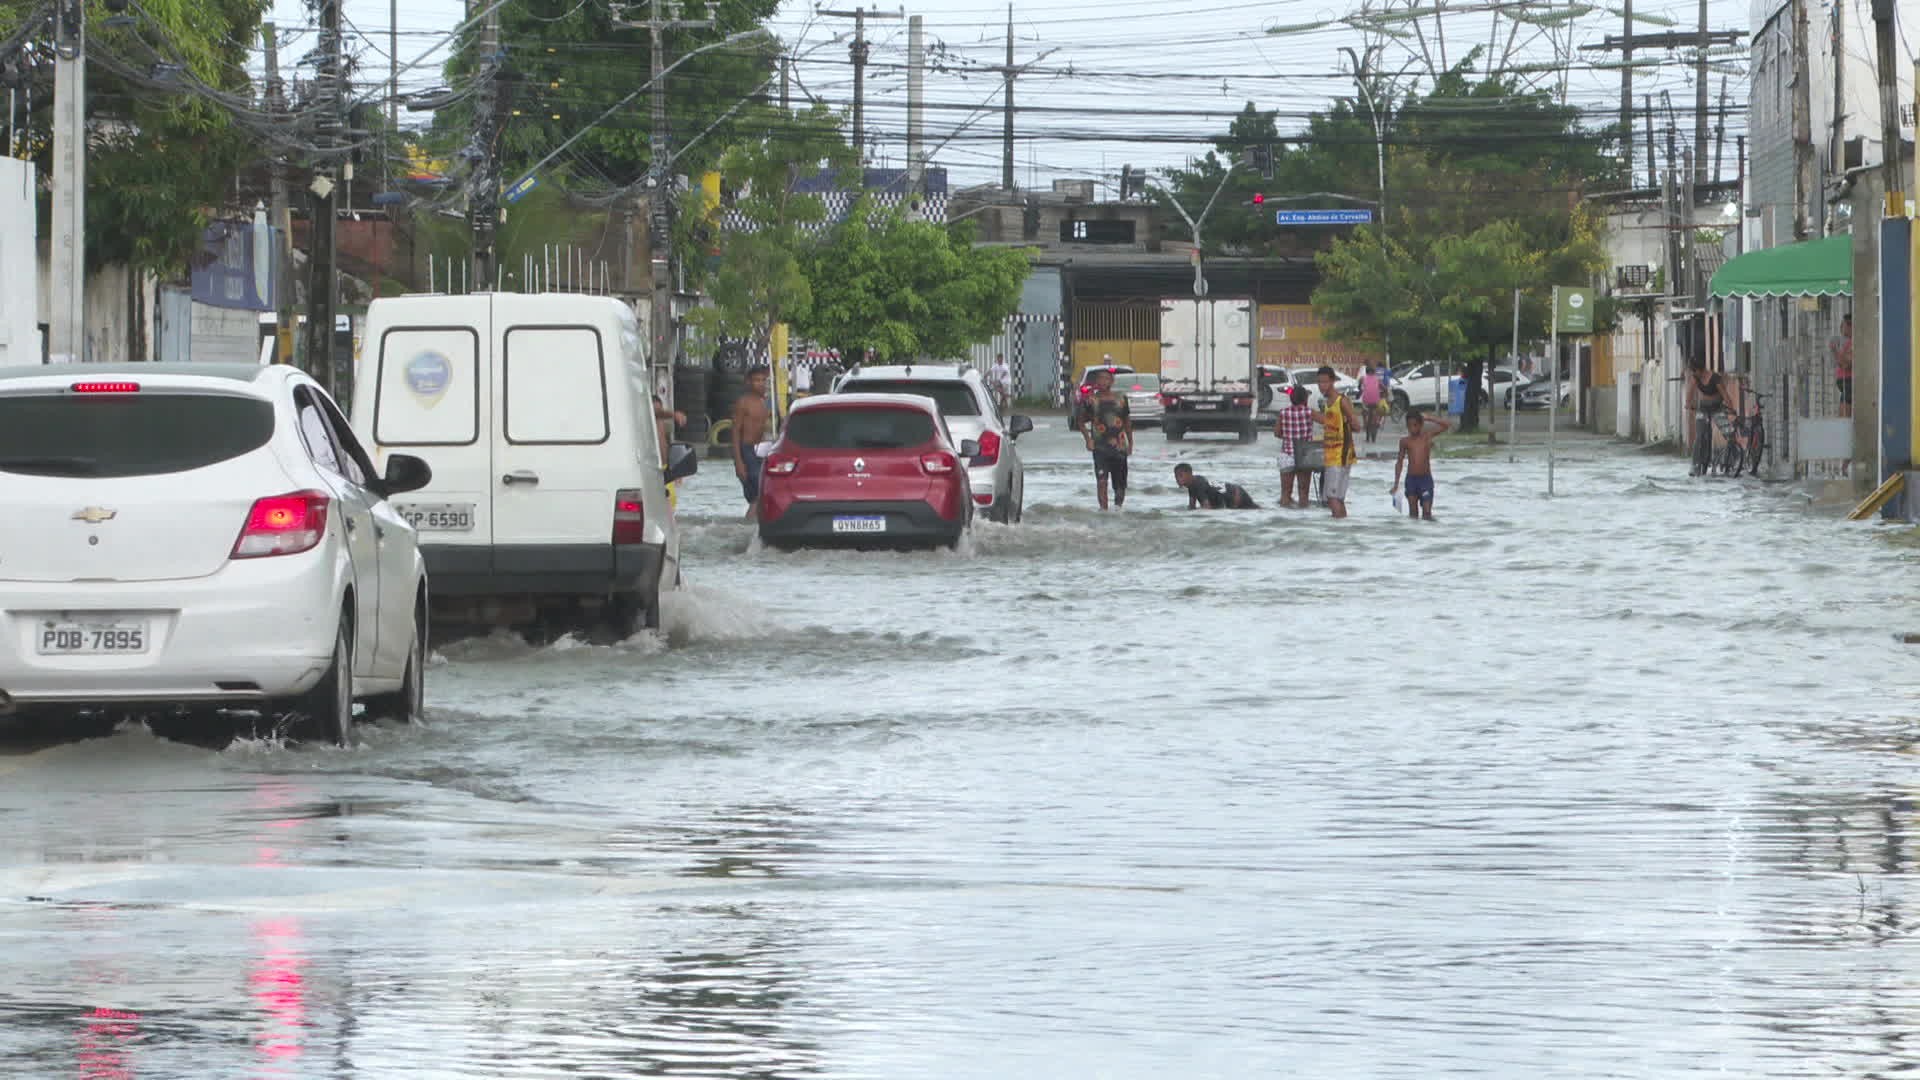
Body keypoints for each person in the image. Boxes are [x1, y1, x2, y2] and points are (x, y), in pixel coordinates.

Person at [1075, 367, 1133, 510]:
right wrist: (1088, 439)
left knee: (1120, 484)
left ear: (1112, 381)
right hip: (1100, 447)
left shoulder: (1121, 399)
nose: (1102, 381)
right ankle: (1104, 510)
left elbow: (1126, 421)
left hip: (1119, 447)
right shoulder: (1091, 400)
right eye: (1100, 379)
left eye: (1106, 378)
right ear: (1096, 382)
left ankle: (1118, 509)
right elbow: (1080, 421)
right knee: (1101, 480)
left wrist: (1131, 442)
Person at [1313, 366, 1362, 519]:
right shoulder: (1327, 403)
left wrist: (1345, 425)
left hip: (1340, 456)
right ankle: (1342, 530)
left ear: (1333, 381)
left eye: (1325, 382)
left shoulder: (1342, 401)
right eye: (1319, 382)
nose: (1322, 385)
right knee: (1338, 499)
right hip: (1333, 455)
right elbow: (1332, 423)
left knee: (1332, 498)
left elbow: (1357, 426)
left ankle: (1336, 528)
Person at [1391, 409, 1451, 520]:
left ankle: (1428, 535)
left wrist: (1429, 417)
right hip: (1411, 480)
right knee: (1413, 514)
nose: (1412, 429)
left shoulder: (1427, 437)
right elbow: (1399, 462)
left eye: (1415, 425)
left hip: (1425, 480)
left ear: (1421, 425)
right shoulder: (1405, 441)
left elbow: (1447, 425)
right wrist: (1396, 484)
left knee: (1427, 513)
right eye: (1409, 426)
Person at [731, 365, 771, 514]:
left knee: (762, 497)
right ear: (749, 382)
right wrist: (738, 462)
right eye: (756, 380)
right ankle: (748, 530)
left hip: (763, 451)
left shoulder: (767, 403)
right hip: (746, 451)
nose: (760, 383)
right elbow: (735, 432)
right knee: (756, 498)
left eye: (763, 380)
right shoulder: (743, 402)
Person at [1274, 384, 1316, 508]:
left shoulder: (1283, 412)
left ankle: (1285, 522)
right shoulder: (1310, 412)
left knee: (1285, 493)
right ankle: (1302, 521)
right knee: (1303, 494)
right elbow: (1327, 422)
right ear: (1305, 399)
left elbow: (1277, 433)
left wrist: (1288, 436)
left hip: (1287, 455)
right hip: (1304, 457)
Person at [1685, 359, 1726, 477]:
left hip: (1717, 409)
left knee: (1728, 432)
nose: (1693, 373)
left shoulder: (1714, 377)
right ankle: (1695, 464)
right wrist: (1688, 404)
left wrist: (1731, 409)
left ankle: (1727, 460)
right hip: (1702, 409)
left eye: (1694, 371)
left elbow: (1725, 394)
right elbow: (1690, 392)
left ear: (1699, 369)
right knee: (1700, 435)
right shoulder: (1695, 378)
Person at [1174, 464, 1258, 509]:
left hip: (1236, 496)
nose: (1177, 479)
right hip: (1234, 495)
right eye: (1176, 476)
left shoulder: (1198, 485)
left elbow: (1207, 508)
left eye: (1180, 476)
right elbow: (1191, 507)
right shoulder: (1192, 485)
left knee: (1256, 511)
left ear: (1189, 474)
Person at [1831, 314, 1853, 419]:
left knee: (1844, 418)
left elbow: (1846, 364)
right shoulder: (1848, 342)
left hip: (1848, 384)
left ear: (1849, 326)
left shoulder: (1854, 343)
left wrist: (1835, 350)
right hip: (1845, 385)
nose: (1840, 327)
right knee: (1842, 417)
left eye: (1842, 324)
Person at [1358, 364, 1385, 443]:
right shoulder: (1377, 379)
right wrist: (1382, 393)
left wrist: (1361, 389)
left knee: (1365, 415)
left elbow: (1359, 387)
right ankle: (1376, 429)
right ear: (1374, 372)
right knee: (1376, 415)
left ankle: (1367, 437)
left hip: (1366, 401)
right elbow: (1384, 388)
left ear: (1366, 372)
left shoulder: (1362, 378)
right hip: (1375, 401)